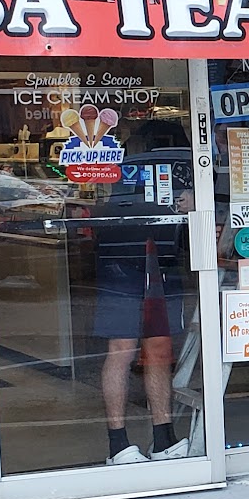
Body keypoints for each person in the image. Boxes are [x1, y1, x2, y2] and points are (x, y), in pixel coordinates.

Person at [94, 130, 193, 464]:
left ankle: (162, 437)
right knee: (124, 350)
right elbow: (109, 215)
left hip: (156, 265)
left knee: (157, 351)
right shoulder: (122, 171)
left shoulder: (169, 176)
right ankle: (117, 444)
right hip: (124, 265)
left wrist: (191, 204)